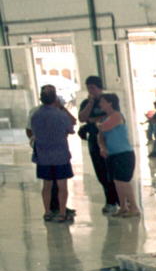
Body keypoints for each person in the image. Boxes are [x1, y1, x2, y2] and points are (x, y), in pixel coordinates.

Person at [30, 86, 75, 223]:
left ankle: (47, 211)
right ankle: (62, 212)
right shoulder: (60, 115)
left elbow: (33, 131)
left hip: (43, 155)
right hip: (60, 155)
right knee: (62, 185)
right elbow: (71, 129)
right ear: (55, 98)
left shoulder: (35, 115)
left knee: (47, 185)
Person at [78, 75, 119, 213]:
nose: (90, 91)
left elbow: (114, 115)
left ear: (99, 87)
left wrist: (93, 119)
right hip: (94, 140)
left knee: (113, 171)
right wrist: (90, 104)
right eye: (88, 88)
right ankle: (110, 200)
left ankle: (120, 199)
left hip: (111, 139)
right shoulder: (86, 102)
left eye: (93, 88)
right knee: (101, 172)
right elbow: (83, 118)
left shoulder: (110, 99)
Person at [96, 93, 140, 218]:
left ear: (110, 103)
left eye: (103, 102)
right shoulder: (105, 118)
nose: (100, 105)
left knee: (123, 181)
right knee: (117, 181)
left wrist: (98, 125)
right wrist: (102, 147)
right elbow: (100, 137)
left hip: (124, 153)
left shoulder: (117, 116)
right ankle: (123, 207)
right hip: (113, 154)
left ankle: (134, 207)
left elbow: (103, 128)